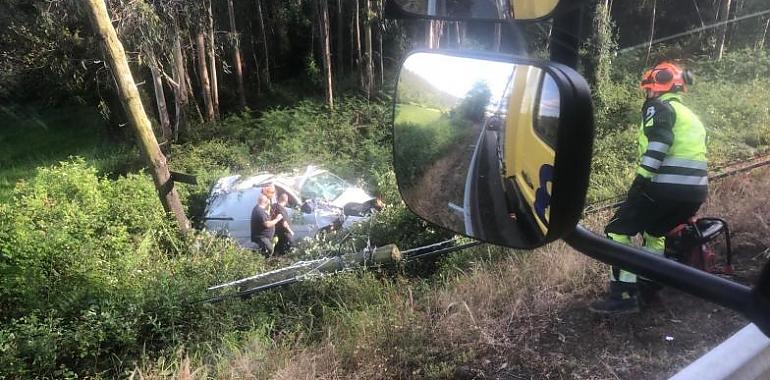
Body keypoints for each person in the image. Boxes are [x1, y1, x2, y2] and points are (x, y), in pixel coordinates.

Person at [590, 61, 708, 314]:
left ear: (657, 87)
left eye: (649, 89)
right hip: (694, 193)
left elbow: (660, 142)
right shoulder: (691, 116)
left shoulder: (659, 106)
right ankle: (649, 284)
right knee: (655, 232)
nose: (647, 94)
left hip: (664, 188)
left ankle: (623, 296)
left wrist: (641, 180)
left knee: (617, 230)